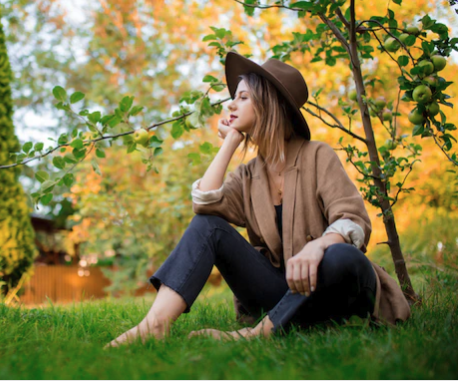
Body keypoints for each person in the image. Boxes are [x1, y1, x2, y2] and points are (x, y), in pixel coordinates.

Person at [105, 52, 410, 348]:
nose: (231, 104)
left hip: (334, 290)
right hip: (284, 291)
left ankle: (258, 334)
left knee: (341, 255)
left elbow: (354, 222)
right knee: (207, 225)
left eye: (243, 97)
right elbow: (204, 204)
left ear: (269, 104)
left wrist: (318, 246)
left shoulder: (318, 155)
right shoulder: (249, 175)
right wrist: (230, 143)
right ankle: (154, 325)